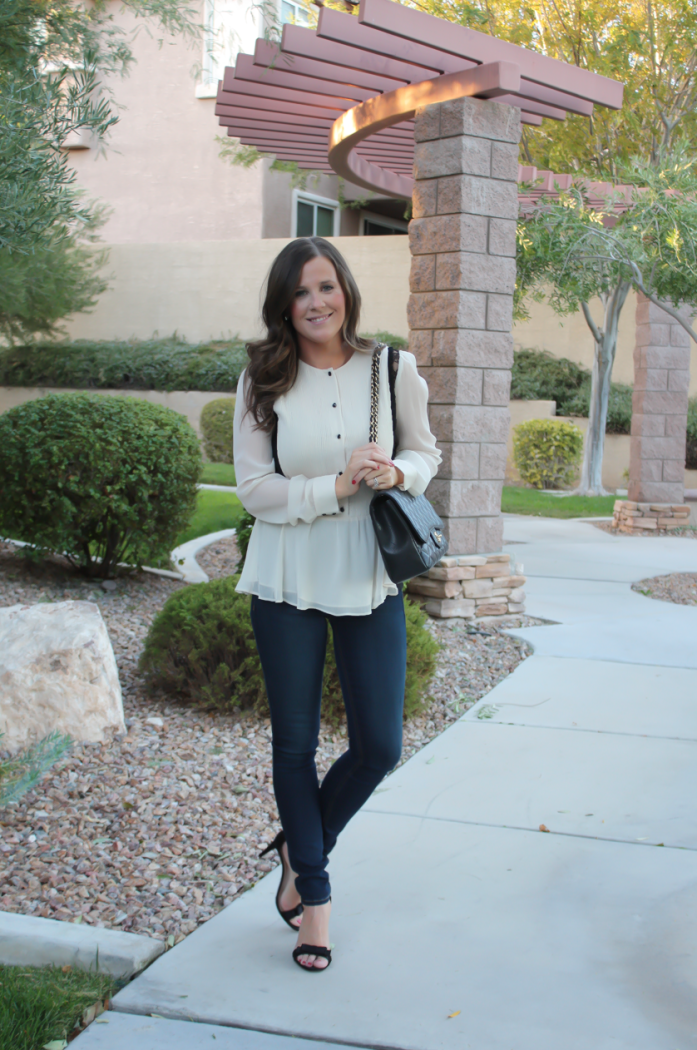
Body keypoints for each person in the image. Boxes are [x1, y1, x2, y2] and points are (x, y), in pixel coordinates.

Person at [233, 236, 441, 971]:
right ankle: (312, 902)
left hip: (368, 575)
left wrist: (395, 471)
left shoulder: (391, 367)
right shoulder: (263, 376)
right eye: (300, 293)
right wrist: (337, 487)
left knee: (379, 744)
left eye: (326, 287)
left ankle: (297, 844)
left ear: (344, 289)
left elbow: (427, 453)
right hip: (286, 575)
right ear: (283, 306)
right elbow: (255, 490)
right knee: (293, 747)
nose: (316, 303)